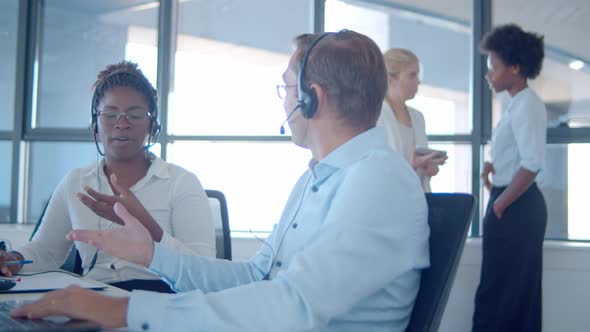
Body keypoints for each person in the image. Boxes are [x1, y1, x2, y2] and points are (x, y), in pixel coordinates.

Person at [11, 30, 429, 331]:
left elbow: (294, 307)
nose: (283, 99)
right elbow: (255, 278)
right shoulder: (316, 181)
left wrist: (124, 311)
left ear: (310, 97)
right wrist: (154, 254)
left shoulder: (377, 180)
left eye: (285, 88)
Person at [0, 61, 216, 293]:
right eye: (110, 114)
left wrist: (142, 221)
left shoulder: (181, 182)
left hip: (163, 300)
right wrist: (12, 259)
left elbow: (205, 271)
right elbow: (46, 251)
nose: (122, 124)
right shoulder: (76, 182)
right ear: (95, 127)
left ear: (152, 126)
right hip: (95, 298)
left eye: (135, 115)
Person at [472, 24, 547, 332]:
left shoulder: (527, 104)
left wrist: (501, 203)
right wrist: (494, 167)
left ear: (516, 68)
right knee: (501, 290)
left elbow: (532, 162)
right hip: (511, 200)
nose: (489, 75)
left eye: (494, 68)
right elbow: (516, 153)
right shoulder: (515, 103)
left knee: (506, 293)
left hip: (517, 206)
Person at [378, 48, 447, 192]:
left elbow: (420, 165)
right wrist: (413, 165)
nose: (418, 82)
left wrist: (429, 167)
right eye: (412, 75)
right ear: (391, 79)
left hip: (419, 197)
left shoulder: (418, 117)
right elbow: (380, 171)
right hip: (391, 198)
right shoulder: (378, 116)